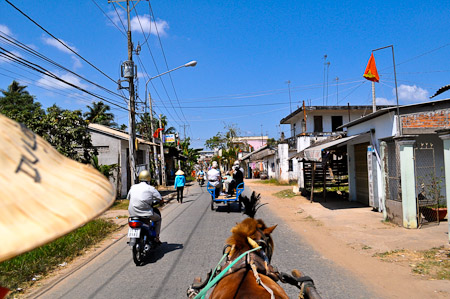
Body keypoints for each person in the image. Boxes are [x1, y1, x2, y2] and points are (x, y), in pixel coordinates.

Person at [127, 170, 163, 244]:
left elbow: (128, 198)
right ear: (149, 178)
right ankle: (156, 237)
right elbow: (159, 198)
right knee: (158, 219)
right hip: (146, 213)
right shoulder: (150, 188)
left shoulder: (133, 187)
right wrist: (160, 202)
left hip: (132, 212)